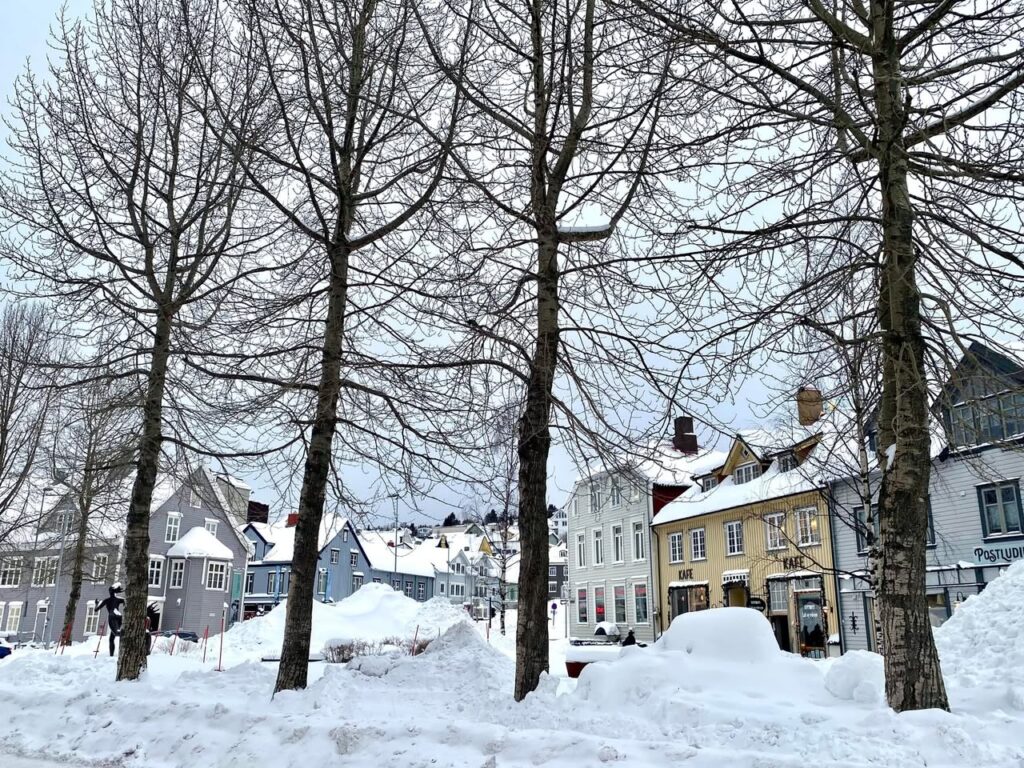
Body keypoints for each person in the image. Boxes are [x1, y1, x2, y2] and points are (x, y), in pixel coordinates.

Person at [95, 583, 125, 658]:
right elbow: (126, 601)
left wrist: (97, 603)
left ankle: (114, 654)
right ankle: (111, 655)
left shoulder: (107, 600)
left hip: (112, 615)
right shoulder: (119, 599)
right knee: (112, 637)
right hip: (119, 616)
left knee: (117, 633)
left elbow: (96, 609)